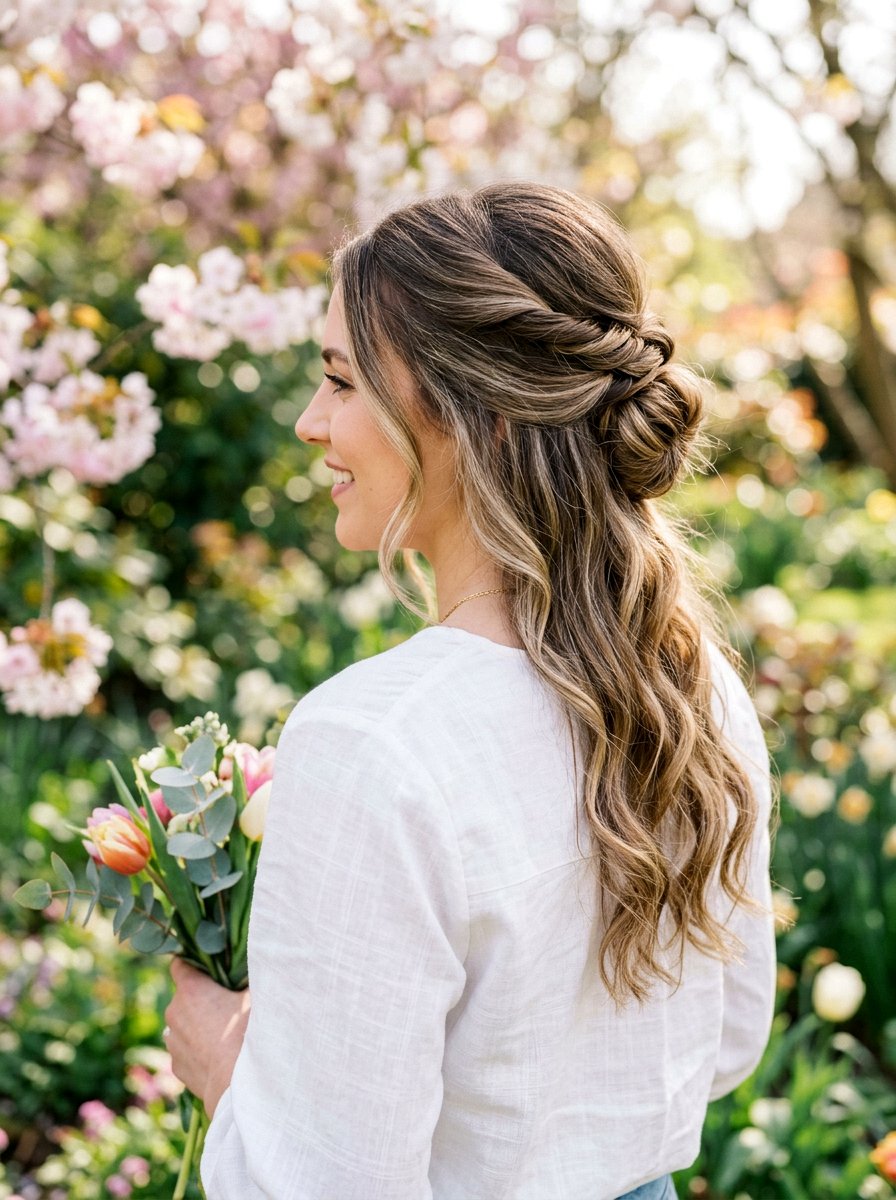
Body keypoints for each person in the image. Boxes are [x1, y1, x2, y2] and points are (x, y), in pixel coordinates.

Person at [164, 182, 776, 1200]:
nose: (312, 423)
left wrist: (233, 1079)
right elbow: (725, 1038)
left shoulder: (374, 743)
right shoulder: (693, 686)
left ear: (474, 417)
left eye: (343, 382)